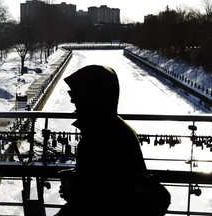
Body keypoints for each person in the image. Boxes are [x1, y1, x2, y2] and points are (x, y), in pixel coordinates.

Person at [55, 65, 170, 216]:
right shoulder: (113, 129)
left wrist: (76, 185)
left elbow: (101, 196)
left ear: (91, 98)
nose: (72, 99)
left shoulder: (100, 136)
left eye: (75, 93)